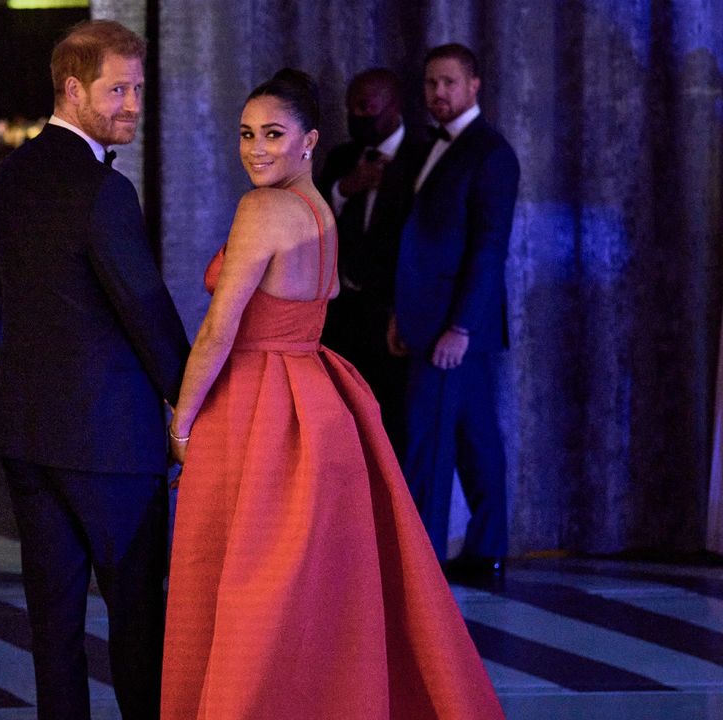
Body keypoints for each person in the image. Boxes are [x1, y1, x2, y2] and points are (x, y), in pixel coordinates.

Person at [161, 69, 504, 719]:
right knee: (311, 590)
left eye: (273, 134)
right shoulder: (319, 206)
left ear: (309, 140)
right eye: (245, 134)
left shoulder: (261, 208)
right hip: (320, 401)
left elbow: (217, 329)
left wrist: (182, 422)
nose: (256, 148)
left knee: (249, 582)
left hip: (260, 405)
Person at [0, 20, 189, 720]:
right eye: (117, 89)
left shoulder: (10, 173)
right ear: (73, 90)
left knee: (54, 629)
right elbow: (146, 310)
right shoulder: (106, 191)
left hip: (28, 431)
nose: (132, 102)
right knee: (138, 622)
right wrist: (192, 400)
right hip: (109, 443)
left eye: (137, 87)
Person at [391, 44, 520, 585]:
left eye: (448, 82)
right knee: (473, 439)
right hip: (430, 319)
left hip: (453, 327)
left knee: (430, 441)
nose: (437, 93)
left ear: (474, 86)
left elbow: (490, 247)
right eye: (429, 83)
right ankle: (486, 549)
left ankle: (422, 565)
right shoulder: (432, 147)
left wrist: (460, 327)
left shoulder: (490, 152)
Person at [317, 68, 428, 454]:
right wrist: (347, 187)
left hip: (392, 317)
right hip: (342, 315)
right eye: (351, 109)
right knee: (340, 425)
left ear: (393, 107)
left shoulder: (424, 155)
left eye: (367, 108)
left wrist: (407, 310)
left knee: (393, 428)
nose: (357, 117)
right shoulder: (342, 157)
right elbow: (311, 218)